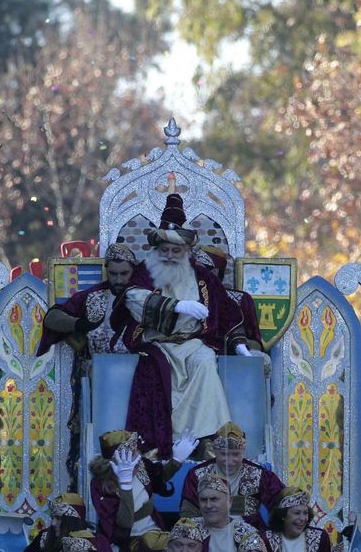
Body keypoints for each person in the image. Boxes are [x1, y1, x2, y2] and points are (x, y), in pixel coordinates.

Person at [121, 193, 239, 451]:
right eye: (165, 250)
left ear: (186, 251)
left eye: (176, 251)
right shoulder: (145, 271)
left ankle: (207, 438)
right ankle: (167, 442)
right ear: (156, 250)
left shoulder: (202, 276)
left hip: (192, 343)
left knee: (206, 362)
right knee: (155, 372)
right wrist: (176, 306)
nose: (171, 256)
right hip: (158, 343)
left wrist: (242, 345)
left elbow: (226, 309)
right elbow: (132, 299)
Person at [36, 242, 138, 358]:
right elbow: (52, 317)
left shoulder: (146, 296)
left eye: (124, 274)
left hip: (137, 370)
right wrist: (78, 324)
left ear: (133, 271)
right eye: (113, 274)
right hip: (97, 369)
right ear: (106, 271)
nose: (118, 280)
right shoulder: (94, 295)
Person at [180, 423, 285, 529]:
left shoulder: (260, 475)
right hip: (208, 533)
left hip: (251, 535)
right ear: (215, 451)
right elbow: (189, 512)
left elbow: (282, 504)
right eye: (224, 454)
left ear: (243, 452)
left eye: (235, 454)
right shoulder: (197, 474)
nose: (229, 461)